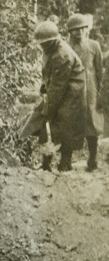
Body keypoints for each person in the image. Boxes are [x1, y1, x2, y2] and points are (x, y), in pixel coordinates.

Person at [21, 21, 86, 172]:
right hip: (59, 89)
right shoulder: (50, 49)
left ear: (54, 40)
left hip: (72, 93)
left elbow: (58, 88)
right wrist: (44, 87)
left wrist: (48, 110)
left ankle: (65, 163)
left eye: (44, 44)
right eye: (41, 44)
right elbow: (49, 75)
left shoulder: (62, 55)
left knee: (65, 125)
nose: (42, 46)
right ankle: (46, 164)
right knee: (45, 122)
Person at [66, 13, 104, 171]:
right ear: (70, 32)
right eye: (75, 30)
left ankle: (92, 159)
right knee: (69, 123)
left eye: (81, 29)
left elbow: (99, 69)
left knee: (92, 124)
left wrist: (99, 90)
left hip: (90, 91)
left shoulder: (94, 46)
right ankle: (65, 161)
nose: (79, 32)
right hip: (72, 91)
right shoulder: (66, 47)